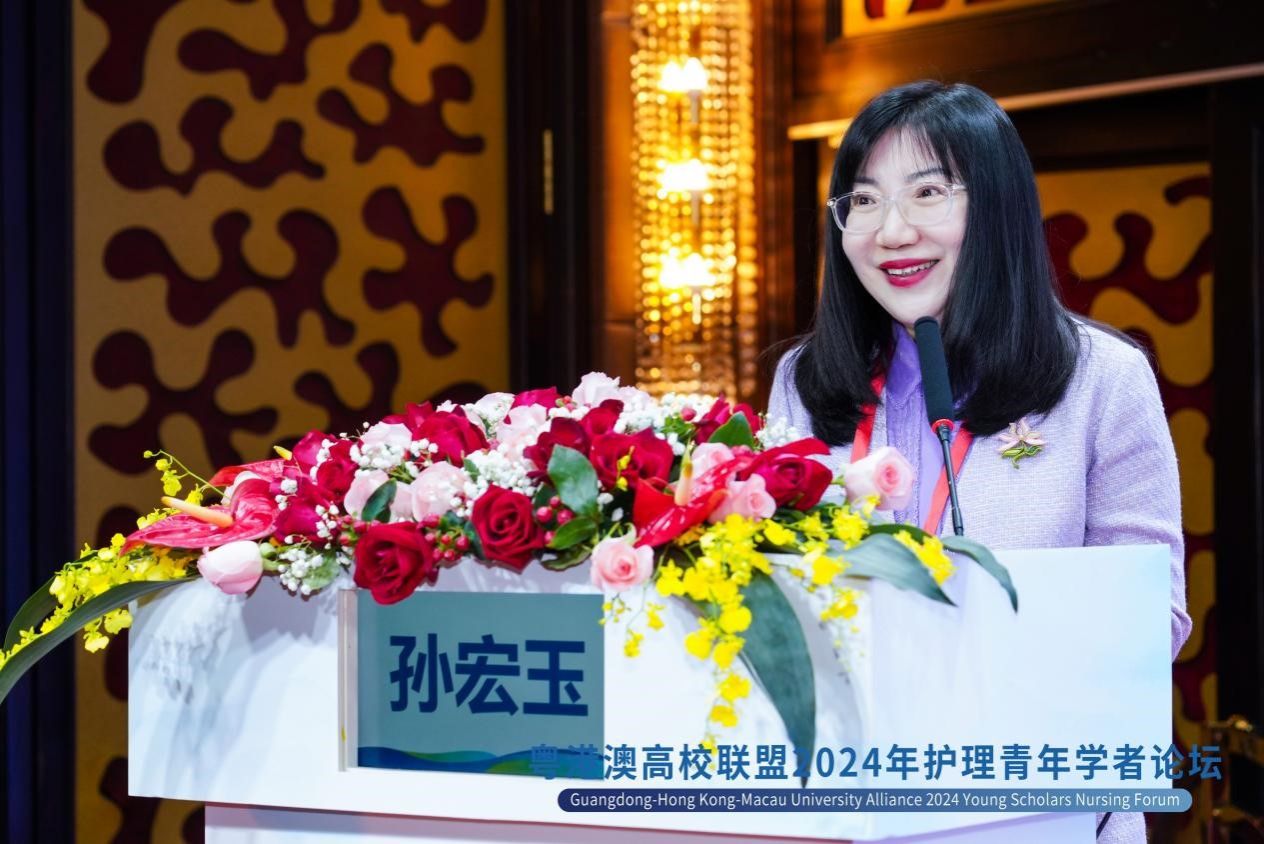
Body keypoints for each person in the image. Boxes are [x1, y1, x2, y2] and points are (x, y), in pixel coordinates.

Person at [767, 80, 1192, 844]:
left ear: (995, 205)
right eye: (863, 200)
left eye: (927, 192)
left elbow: (1150, 616)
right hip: (843, 799)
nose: (892, 230)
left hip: (1035, 800)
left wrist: (975, 653)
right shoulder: (805, 381)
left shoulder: (1102, 377)